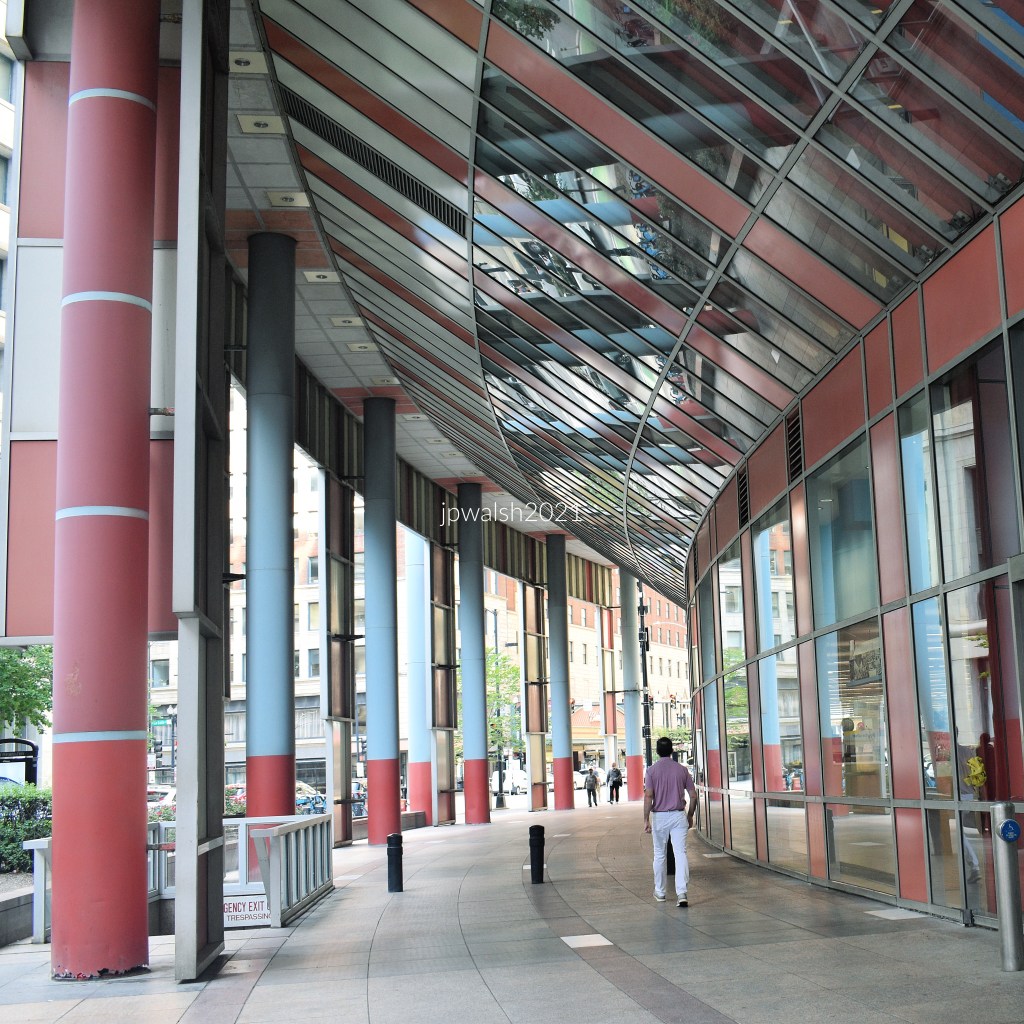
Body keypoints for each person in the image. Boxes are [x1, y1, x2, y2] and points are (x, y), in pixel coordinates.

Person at [644, 736, 697, 906]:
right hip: (678, 815)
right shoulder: (682, 770)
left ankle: (660, 892)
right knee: (680, 853)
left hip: (659, 817)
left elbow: (648, 795)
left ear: (657, 751)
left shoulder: (651, 771)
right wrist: (690, 815)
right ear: (672, 750)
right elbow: (693, 795)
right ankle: (682, 893)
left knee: (659, 854)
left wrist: (646, 819)